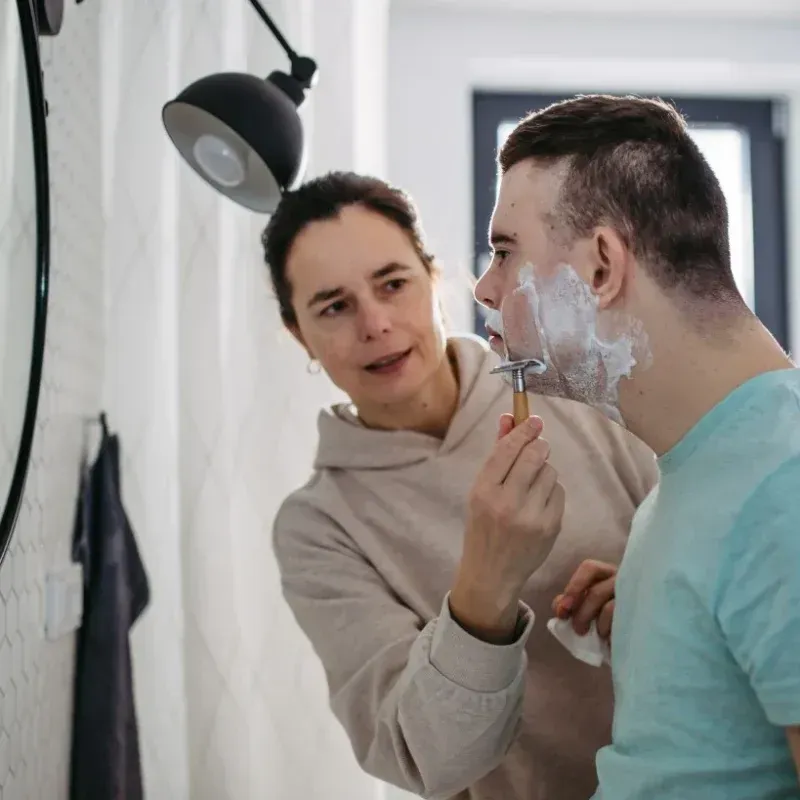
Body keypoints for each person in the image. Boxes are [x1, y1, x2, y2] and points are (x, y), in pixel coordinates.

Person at [262, 171, 657, 800]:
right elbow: (428, 760)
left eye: (393, 284)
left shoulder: (572, 382)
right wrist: (484, 587)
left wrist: (650, 593)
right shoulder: (319, 527)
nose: (376, 324)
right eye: (334, 306)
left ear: (434, 277)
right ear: (298, 335)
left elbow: (732, 569)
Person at [475, 93, 800, 799]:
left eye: (505, 252)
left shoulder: (784, 487)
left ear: (600, 268)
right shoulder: (701, 470)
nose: (484, 287)